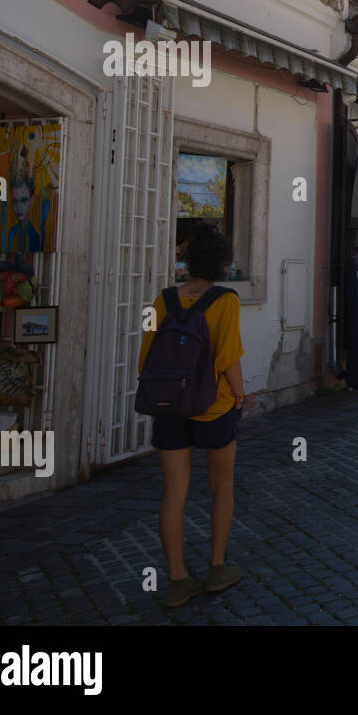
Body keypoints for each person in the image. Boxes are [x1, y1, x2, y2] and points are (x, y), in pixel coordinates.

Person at [139, 224, 245, 607]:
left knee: (174, 492)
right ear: (223, 263)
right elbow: (228, 357)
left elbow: (146, 353)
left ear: (187, 261)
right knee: (222, 486)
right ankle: (217, 567)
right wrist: (240, 394)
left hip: (169, 407)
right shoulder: (226, 301)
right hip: (212, 406)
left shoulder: (161, 299)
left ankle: (178, 578)